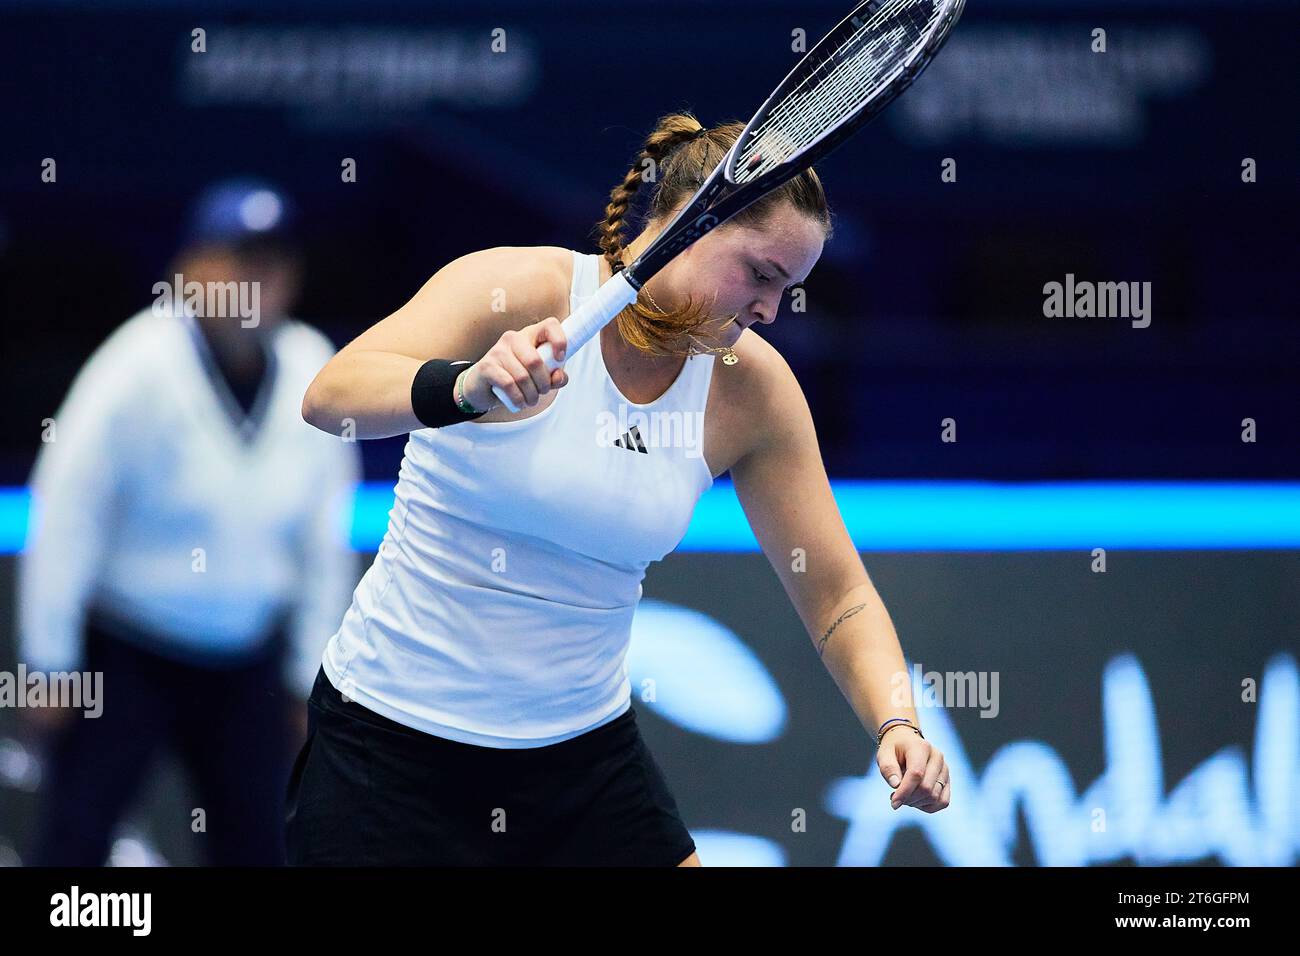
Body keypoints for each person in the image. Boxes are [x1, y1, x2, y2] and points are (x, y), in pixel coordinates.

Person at [291, 113, 950, 867]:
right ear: (696, 219)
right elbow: (330, 397)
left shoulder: (752, 390)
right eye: (762, 275)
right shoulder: (516, 289)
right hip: (388, 749)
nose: (771, 309)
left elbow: (838, 594)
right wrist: (468, 386)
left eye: (789, 289)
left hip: (580, 764)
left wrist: (897, 721)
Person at [18, 178, 361, 865]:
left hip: (247, 658)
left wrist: (309, 675)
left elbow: (325, 541)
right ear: (190, 269)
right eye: (239, 260)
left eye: (273, 262)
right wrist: (48, 663)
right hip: (128, 651)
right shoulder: (135, 365)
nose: (257, 280)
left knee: (258, 845)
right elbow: (65, 516)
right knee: (76, 841)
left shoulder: (312, 365)